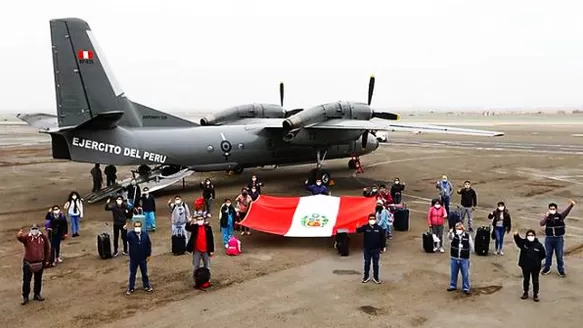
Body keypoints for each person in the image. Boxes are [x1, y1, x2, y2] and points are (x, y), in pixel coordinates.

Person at [540, 199, 575, 277]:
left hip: (558, 239)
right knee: (548, 254)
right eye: (550, 209)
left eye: (553, 209)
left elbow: (566, 212)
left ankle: (561, 270)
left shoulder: (560, 216)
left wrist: (571, 205)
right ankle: (547, 268)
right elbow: (542, 223)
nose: (552, 210)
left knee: (559, 255)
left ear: (556, 209)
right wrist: (546, 216)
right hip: (549, 238)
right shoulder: (547, 217)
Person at [17, 224, 51, 305]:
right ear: (30, 229)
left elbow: (47, 248)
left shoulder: (43, 237)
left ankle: (37, 294)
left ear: (38, 229)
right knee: (26, 280)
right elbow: (20, 238)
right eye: (33, 228)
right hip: (28, 262)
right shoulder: (27, 237)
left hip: (40, 262)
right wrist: (19, 234)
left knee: (38, 279)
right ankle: (25, 296)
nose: (34, 230)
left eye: (36, 228)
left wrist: (46, 260)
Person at [514, 230, 546, 302]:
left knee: (535, 281)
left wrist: (536, 261)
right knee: (526, 280)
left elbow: (543, 255)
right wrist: (516, 235)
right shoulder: (524, 243)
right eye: (529, 235)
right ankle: (525, 293)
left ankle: (535, 295)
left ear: (534, 236)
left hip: (535, 267)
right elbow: (518, 241)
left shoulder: (539, 245)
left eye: (532, 235)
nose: (530, 237)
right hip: (525, 266)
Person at [356, 213, 387, 284]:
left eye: (373, 219)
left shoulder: (379, 228)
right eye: (370, 219)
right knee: (367, 263)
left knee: (376, 264)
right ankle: (366, 277)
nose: (372, 220)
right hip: (367, 249)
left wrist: (383, 247)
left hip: (376, 249)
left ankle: (376, 277)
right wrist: (357, 227)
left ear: (375, 220)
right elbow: (358, 231)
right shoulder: (365, 227)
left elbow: (383, 238)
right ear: (368, 220)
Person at [185, 215, 214, 286]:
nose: (200, 220)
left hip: (206, 250)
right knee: (196, 266)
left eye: (201, 219)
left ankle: (207, 280)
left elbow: (211, 240)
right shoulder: (194, 227)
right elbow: (187, 228)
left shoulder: (208, 228)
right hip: (197, 250)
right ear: (196, 220)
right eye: (198, 219)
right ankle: (196, 280)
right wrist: (189, 221)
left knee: (207, 266)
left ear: (204, 220)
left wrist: (211, 250)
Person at [125, 221, 153, 295]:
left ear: (141, 227)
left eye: (138, 226)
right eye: (136, 226)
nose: (137, 228)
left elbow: (148, 245)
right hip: (134, 259)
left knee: (144, 273)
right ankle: (131, 287)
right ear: (134, 227)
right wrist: (124, 230)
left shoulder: (145, 234)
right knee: (132, 274)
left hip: (143, 258)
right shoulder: (130, 235)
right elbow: (124, 238)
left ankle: (146, 285)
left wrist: (148, 255)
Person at [447, 222, 474, 295]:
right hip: (454, 258)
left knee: (465, 274)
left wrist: (468, 255)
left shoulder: (468, 236)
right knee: (453, 273)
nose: (458, 230)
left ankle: (466, 287)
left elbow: (472, 247)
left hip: (464, 259)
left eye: (459, 228)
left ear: (462, 229)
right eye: (457, 228)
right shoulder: (454, 235)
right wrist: (450, 232)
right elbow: (449, 238)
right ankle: (453, 285)